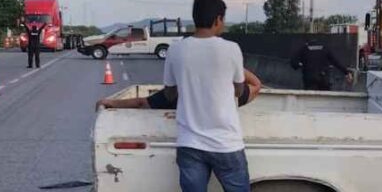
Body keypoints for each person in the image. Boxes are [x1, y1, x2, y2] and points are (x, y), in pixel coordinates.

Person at [156, 0, 266, 192]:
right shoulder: (230, 49)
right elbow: (239, 89)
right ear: (218, 19)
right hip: (227, 144)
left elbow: (169, 92)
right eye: (224, 19)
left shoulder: (176, 50)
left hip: (190, 144)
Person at [96, 69, 262, 110]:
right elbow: (256, 85)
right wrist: (234, 67)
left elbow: (141, 103)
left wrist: (110, 102)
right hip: (224, 147)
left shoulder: (178, 93)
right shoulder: (231, 95)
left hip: (191, 147)